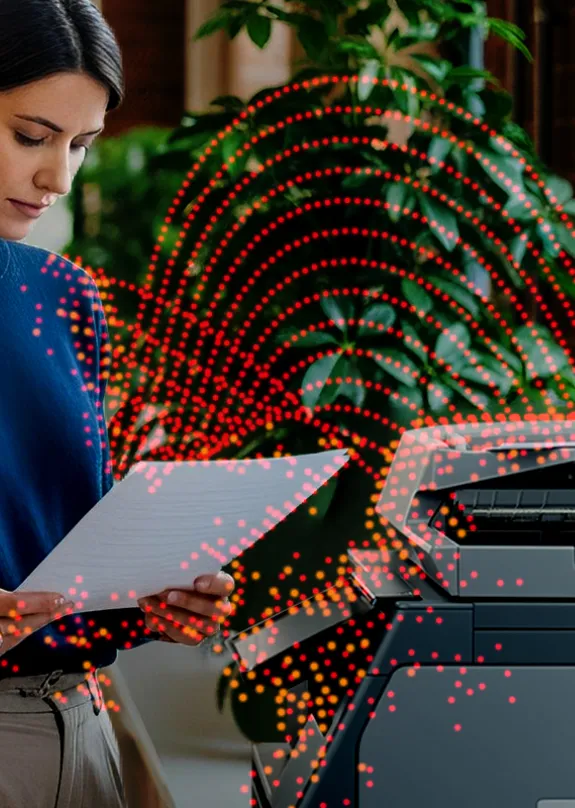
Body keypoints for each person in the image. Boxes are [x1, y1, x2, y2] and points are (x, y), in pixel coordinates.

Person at [0, 1, 235, 805]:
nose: (57, 178)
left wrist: (158, 598)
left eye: (80, 145)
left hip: (83, 728)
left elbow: (75, 552)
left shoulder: (66, 297)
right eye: (30, 136)